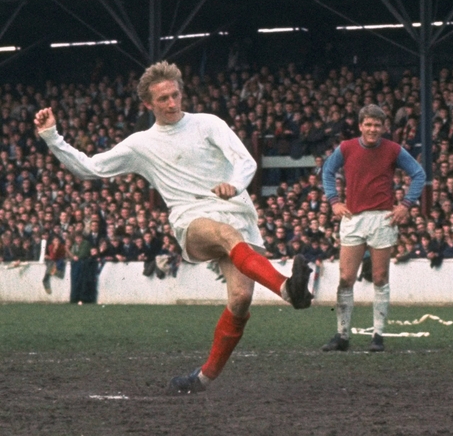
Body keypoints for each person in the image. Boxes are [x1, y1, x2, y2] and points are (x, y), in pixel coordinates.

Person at [34, 61, 313, 395]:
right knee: (225, 236)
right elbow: (89, 168)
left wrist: (234, 185)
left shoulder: (208, 124)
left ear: (182, 92)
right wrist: (52, 136)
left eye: (175, 95)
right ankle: (287, 289)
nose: (171, 103)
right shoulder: (141, 144)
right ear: (148, 104)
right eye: (162, 98)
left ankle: (202, 379)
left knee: (240, 298)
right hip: (191, 217)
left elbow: (246, 161)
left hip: (236, 211)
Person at [321, 104, 425, 352]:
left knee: (380, 277)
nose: (372, 129)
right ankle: (342, 335)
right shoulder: (346, 148)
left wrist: (406, 205)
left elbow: (418, 174)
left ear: (383, 127)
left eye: (377, 125)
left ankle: (378, 335)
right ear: (360, 126)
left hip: (382, 218)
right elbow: (327, 171)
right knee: (346, 278)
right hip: (354, 218)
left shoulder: (393, 149)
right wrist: (334, 201)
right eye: (368, 124)